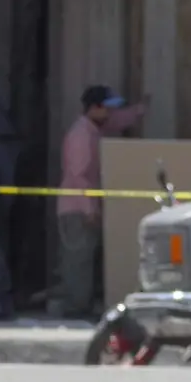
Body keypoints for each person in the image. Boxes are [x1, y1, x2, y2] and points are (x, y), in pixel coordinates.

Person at [56, 85, 144, 319]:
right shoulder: (81, 136)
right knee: (78, 260)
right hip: (77, 209)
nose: (110, 115)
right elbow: (79, 176)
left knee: (86, 259)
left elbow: (118, 121)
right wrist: (90, 208)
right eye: (107, 109)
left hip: (85, 206)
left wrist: (138, 111)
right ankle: (75, 308)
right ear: (94, 108)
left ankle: (81, 304)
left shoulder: (94, 130)